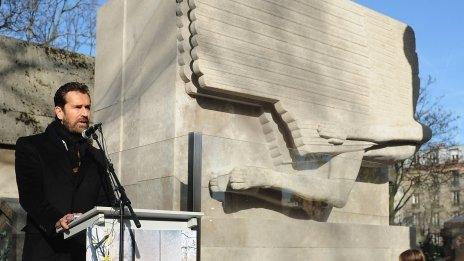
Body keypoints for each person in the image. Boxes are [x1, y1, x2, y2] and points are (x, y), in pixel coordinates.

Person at [15, 82, 115, 261]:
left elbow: (106, 201)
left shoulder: (96, 154)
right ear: (59, 112)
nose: (85, 113)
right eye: (77, 107)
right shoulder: (31, 146)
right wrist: (56, 220)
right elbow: (31, 197)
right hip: (46, 249)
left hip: (86, 251)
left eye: (87, 107)